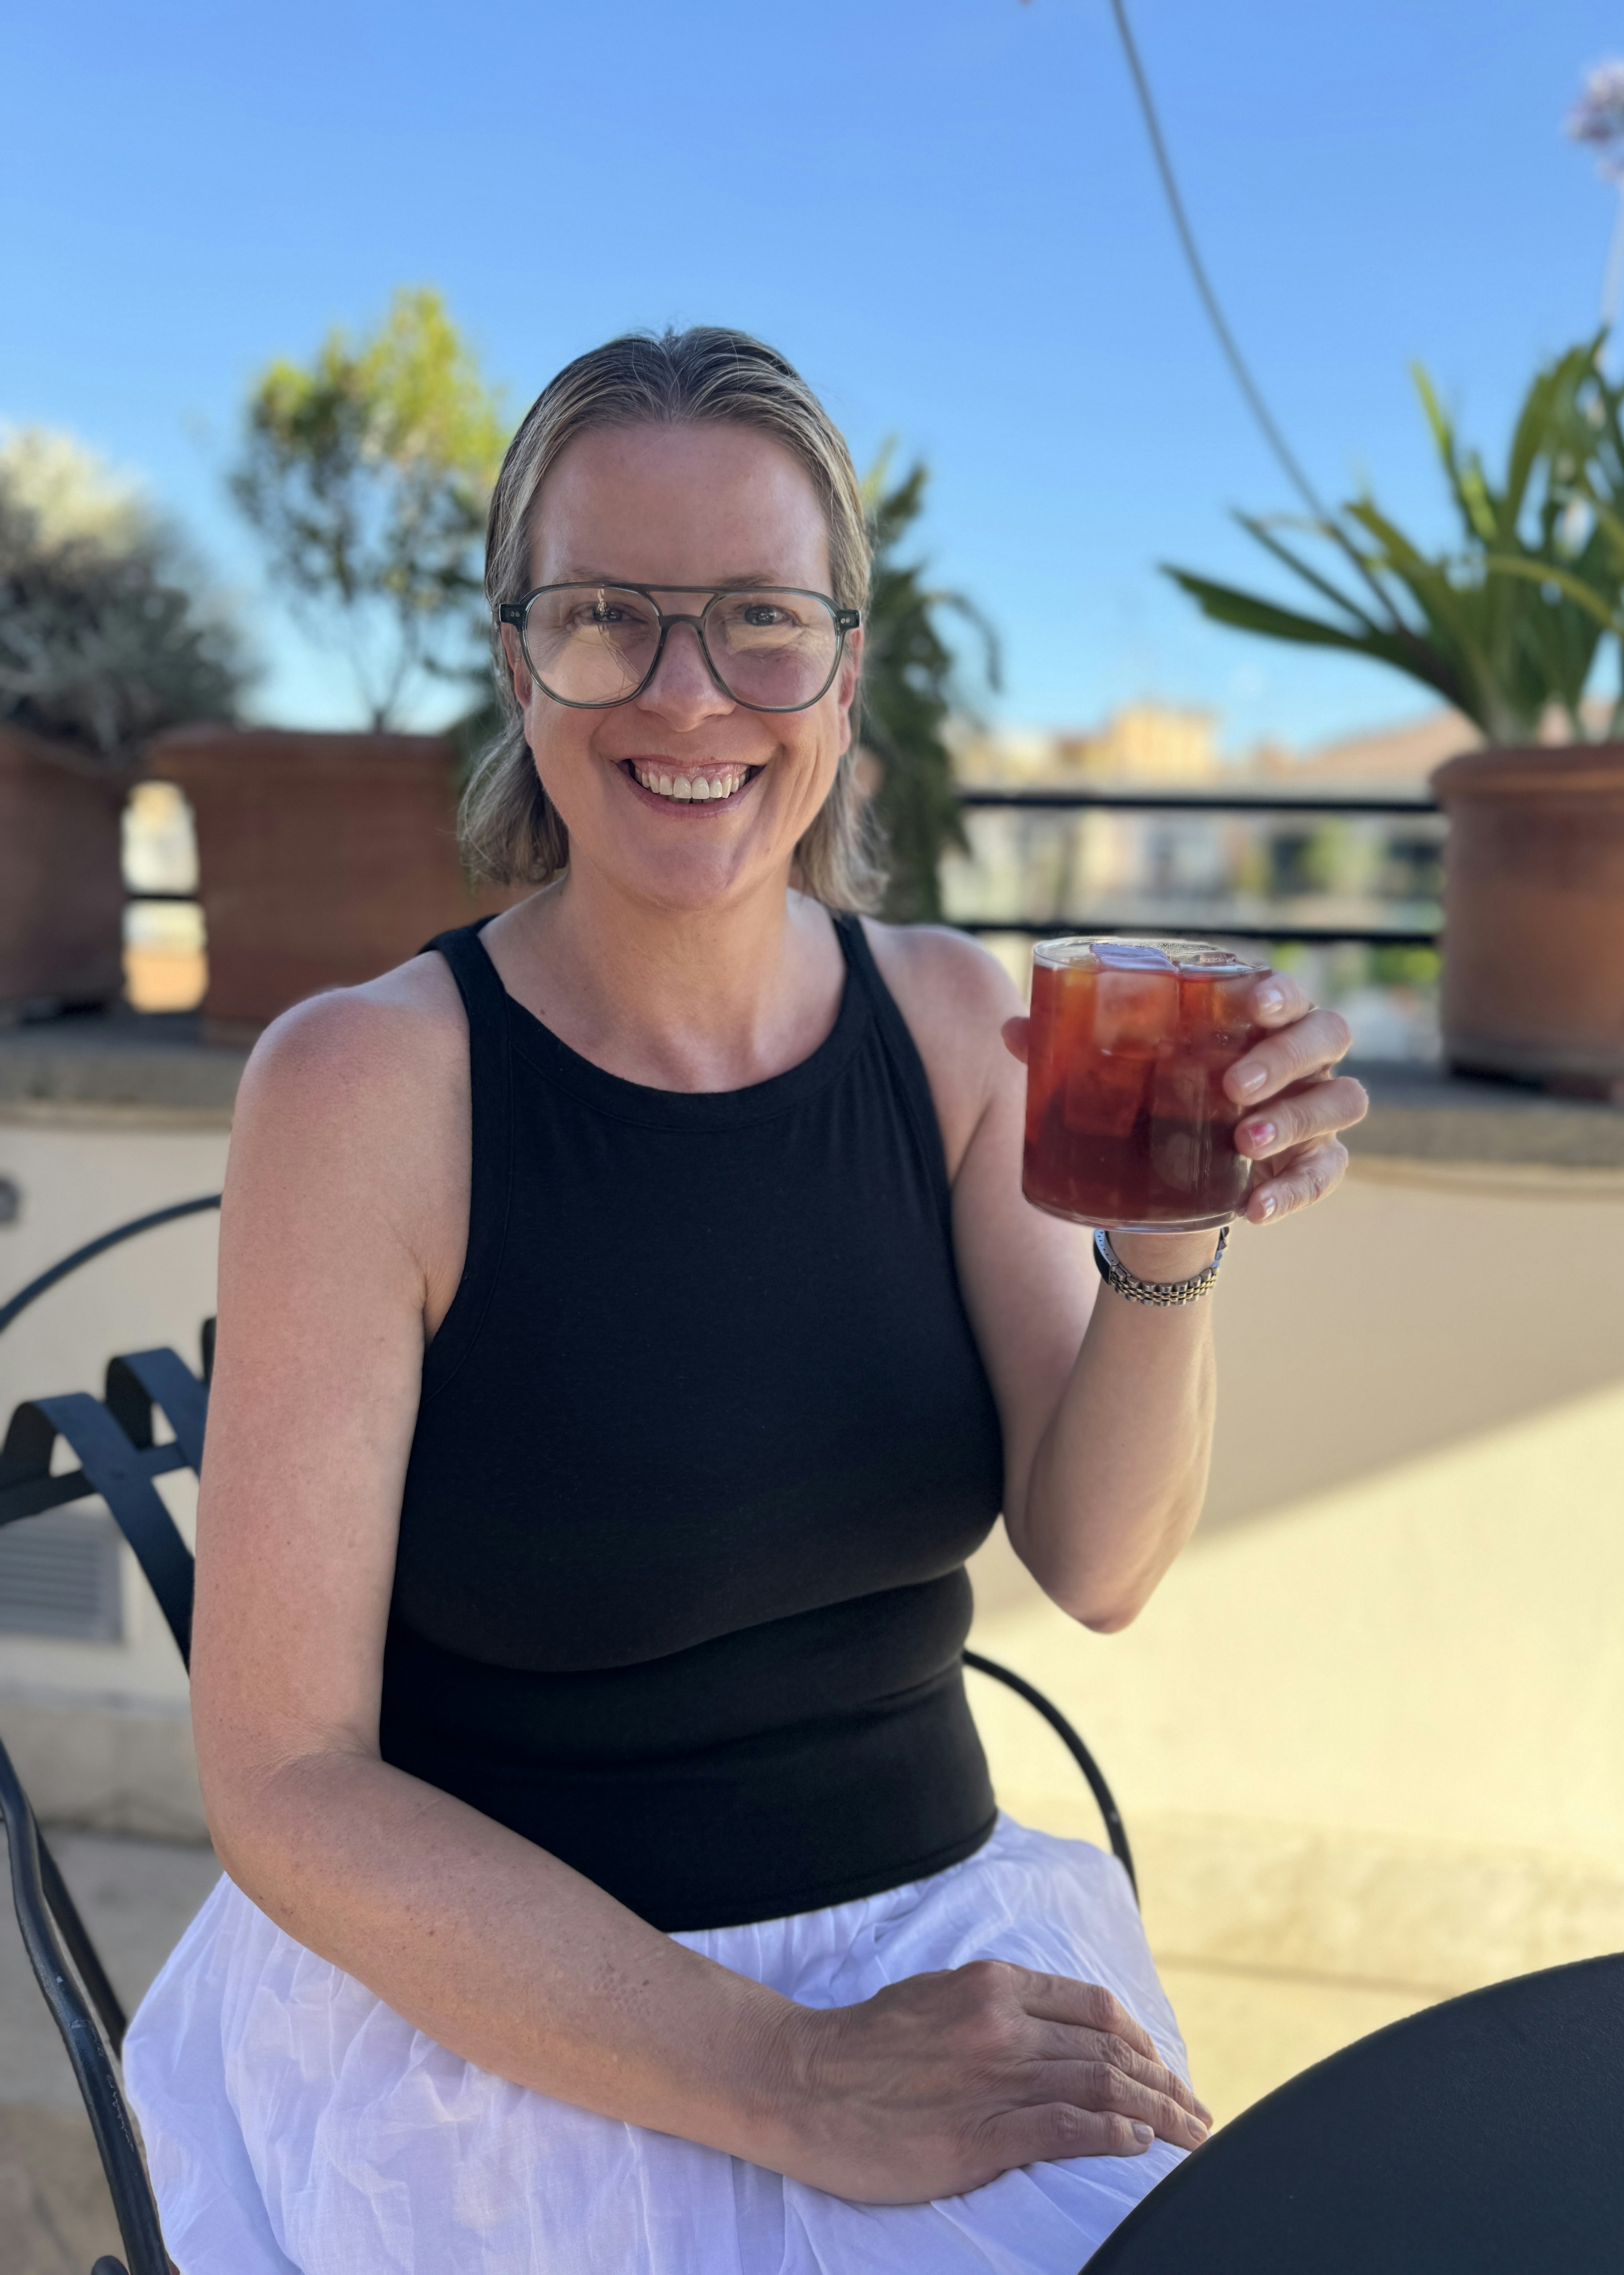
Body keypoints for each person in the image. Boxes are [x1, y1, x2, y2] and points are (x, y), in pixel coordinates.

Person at [124, 327, 1367, 2275]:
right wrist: (788, 2077)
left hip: (939, 1950)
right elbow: (282, 1778)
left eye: (763, 621)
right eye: (610, 615)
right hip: (521, 2024)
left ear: (845, 666)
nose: (690, 693)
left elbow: (1102, 1558)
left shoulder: (960, 1022)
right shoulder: (368, 1088)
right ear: (520, 653)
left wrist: (1169, 1237)